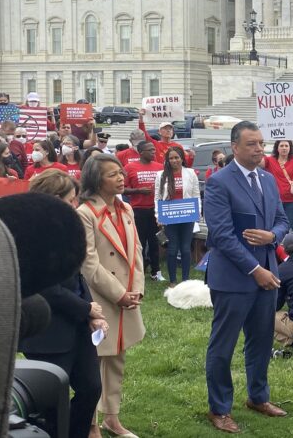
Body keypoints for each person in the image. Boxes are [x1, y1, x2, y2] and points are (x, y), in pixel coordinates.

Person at [204, 121, 290, 433]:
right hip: (234, 279)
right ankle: (219, 408)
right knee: (222, 346)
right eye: (252, 144)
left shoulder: (267, 179)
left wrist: (272, 236)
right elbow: (222, 236)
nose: (259, 149)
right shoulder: (219, 183)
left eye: (261, 143)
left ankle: (258, 396)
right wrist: (255, 271)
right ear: (235, 147)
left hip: (268, 275)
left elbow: (282, 221)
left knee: (261, 340)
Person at [22, 170, 106, 438]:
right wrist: (85, 309)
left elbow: (78, 277)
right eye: (71, 199)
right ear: (54, 199)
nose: (75, 205)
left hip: (77, 325)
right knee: (50, 401)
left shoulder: (65, 228)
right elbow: (46, 287)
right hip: (48, 330)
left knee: (91, 388)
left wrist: (90, 312)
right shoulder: (29, 234)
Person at [76, 154, 145, 438]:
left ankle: (112, 418)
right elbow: (89, 264)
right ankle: (91, 422)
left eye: (120, 172)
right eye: (112, 174)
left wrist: (136, 287)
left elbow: (137, 251)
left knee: (117, 358)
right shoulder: (85, 213)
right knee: (93, 362)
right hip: (101, 298)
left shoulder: (126, 208)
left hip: (127, 295)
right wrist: (118, 294)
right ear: (96, 179)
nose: (120, 177)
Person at [154, 145, 200, 286]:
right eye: (171, 158)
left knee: (186, 248)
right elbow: (157, 197)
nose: (174, 161)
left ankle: (185, 280)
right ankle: (173, 280)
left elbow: (196, 194)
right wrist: (158, 215)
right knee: (172, 248)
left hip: (187, 215)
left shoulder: (191, 173)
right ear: (167, 160)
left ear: (182, 158)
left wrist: (197, 213)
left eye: (177, 157)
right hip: (170, 215)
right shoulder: (161, 175)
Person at [124, 142, 165, 281]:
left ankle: (156, 271)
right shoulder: (130, 167)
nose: (154, 152)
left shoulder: (160, 167)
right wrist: (138, 190)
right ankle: (139, 271)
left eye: (154, 150)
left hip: (155, 209)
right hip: (138, 210)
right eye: (150, 150)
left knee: (155, 241)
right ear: (141, 152)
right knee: (140, 242)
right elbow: (122, 188)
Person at [263, 137, 293, 232]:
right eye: (281, 146)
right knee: (274, 230)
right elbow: (257, 162)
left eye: (286, 146)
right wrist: (260, 145)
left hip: (292, 201)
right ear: (277, 148)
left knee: (291, 230)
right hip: (275, 202)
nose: (284, 148)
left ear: (290, 148)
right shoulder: (269, 160)